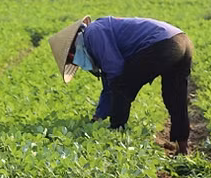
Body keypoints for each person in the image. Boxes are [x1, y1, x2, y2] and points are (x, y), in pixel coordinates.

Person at [48, 16, 194, 154]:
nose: (77, 64)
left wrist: (112, 117)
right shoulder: (96, 33)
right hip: (181, 40)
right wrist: (99, 115)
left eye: (72, 61)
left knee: (122, 86)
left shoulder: (93, 34)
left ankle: (117, 132)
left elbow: (115, 73)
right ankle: (182, 147)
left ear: (71, 54)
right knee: (175, 96)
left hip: (162, 44)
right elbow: (108, 81)